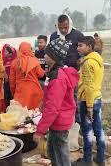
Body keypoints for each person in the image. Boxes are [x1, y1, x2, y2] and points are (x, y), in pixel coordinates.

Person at [33, 38, 79, 166]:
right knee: (53, 152)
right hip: (57, 120)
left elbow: (53, 108)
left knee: (61, 155)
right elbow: (51, 97)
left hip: (60, 121)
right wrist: (43, 103)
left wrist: (39, 131)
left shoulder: (58, 77)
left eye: (47, 53)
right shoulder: (53, 72)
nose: (45, 55)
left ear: (53, 57)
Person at [74, 36, 105, 165]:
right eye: (78, 45)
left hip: (88, 101)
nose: (78, 48)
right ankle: (100, 158)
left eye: (81, 45)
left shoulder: (88, 63)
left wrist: (89, 107)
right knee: (98, 130)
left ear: (89, 47)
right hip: (97, 98)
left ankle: (87, 160)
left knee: (87, 131)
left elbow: (89, 86)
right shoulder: (97, 59)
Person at [9, 42, 44, 110]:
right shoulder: (35, 60)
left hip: (21, 92)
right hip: (35, 91)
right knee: (35, 115)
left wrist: (14, 93)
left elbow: (12, 81)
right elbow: (41, 74)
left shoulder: (14, 62)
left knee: (22, 116)